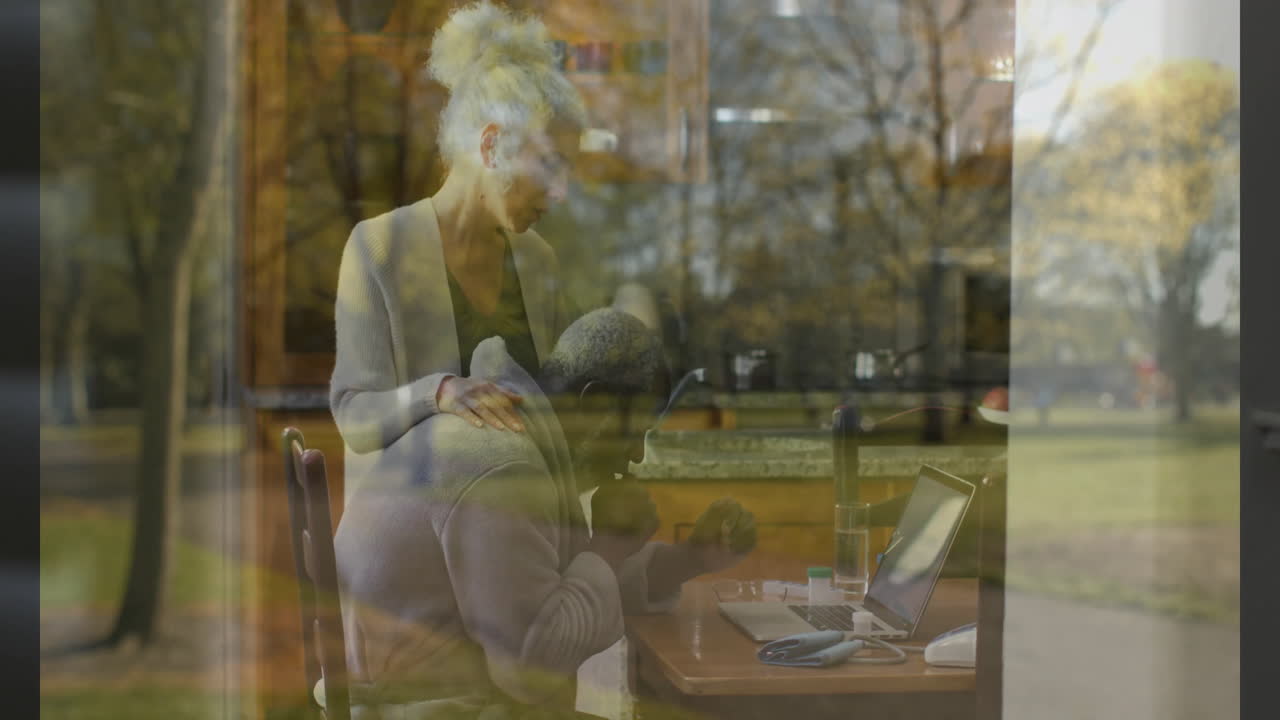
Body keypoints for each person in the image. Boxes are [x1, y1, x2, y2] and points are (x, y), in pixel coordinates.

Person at [334, 309, 758, 719]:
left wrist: (689, 559)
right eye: (636, 431)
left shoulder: (519, 443)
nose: (637, 454)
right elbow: (529, 672)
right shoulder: (501, 463)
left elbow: (552, 586)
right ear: (595, 405)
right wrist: (607, 551)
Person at [330, 1, 586, 499]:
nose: (561, 193)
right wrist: (440, 393)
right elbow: (353, 418)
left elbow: (559, 419)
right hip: (412, 541)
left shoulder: (537, 261)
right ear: (491, 147)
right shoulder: (379, 247)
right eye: (551, 164)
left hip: (523, 538)